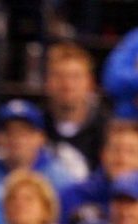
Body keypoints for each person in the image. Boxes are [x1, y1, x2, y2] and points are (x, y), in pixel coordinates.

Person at [0, 99, 86, 192]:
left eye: (24, 132)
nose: (15, 138)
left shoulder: (60, 179)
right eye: (8, 131)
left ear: (41, 138)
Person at [42, 42, 110, 171]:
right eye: (59, 76)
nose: (67, 85)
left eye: (75, 77)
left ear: (90, 83)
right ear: (47, 82)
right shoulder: (34, 126)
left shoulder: (107, 129)